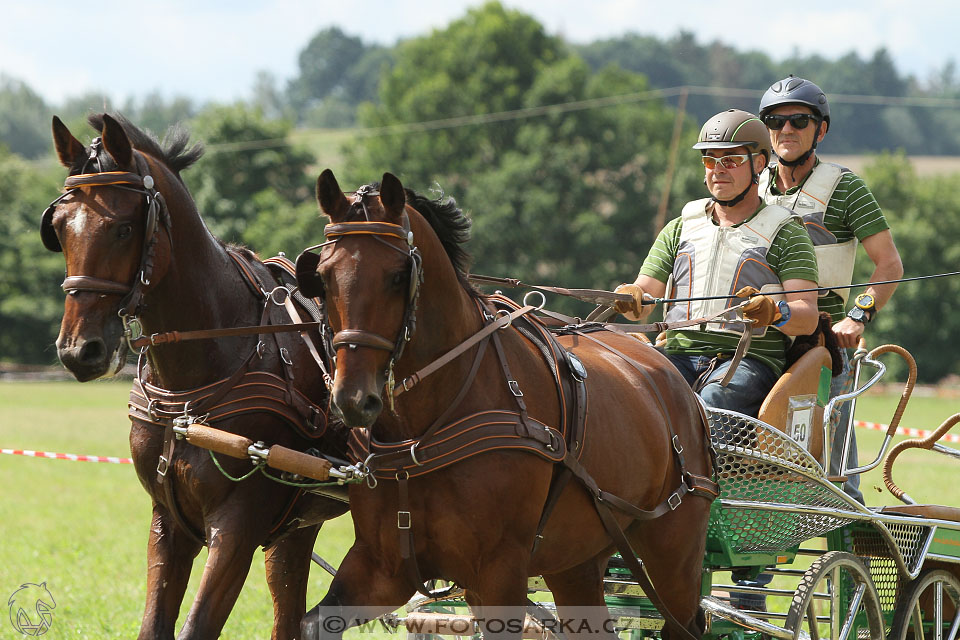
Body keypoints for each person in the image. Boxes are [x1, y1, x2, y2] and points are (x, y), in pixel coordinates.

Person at [614, 109, 820, 418]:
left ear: (759, 164)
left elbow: (808, 317)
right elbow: (644, 299)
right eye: (710, 161)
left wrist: (774, 312)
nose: (717, 170)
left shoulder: (787, 232)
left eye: (731, 161)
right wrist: (629, 297)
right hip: (676, 355)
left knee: (708, 406)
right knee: (624, 399)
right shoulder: (680, 227)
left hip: (749, 361)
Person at [758, 76, 904, 503]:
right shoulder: (751, 187)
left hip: (819, 344)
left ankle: (849, 548)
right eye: (775, 120)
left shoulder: (845, 188)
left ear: (820, 130)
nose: (786, 130)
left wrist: (858, 316)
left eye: (799, 121)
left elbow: (889, 263)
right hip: (757, 341)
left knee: (831, 471)